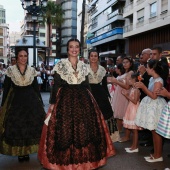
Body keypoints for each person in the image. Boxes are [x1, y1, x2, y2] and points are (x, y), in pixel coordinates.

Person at [38, 38, 116, 170]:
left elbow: (86, 85)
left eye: (76, 47)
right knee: (65, 130)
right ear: (67, 49)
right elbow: (56, 86)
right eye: (71, 47)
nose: (74, 49)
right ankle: (68, 162)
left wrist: (93, 102)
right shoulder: (61, 65)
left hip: (83, 100)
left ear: (79, 49)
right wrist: (52, 104)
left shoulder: (84, 66)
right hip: (65, 100)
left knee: (84, 129)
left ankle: (84, 161)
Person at [0, 48, 45, 162]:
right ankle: (21, 153)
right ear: (16, 57)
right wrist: (2, 105)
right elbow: (6, 89)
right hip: (16, 102)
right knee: (18, 127)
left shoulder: (32, 70)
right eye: (21, 56)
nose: (23, 58)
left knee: (31, 126)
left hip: (31, 101)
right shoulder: (10, 70)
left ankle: (28, 151)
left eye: (25, 56)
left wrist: (40, 103)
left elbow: (36, 88)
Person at [135, 59, 167, 163]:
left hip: (156, 107)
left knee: (156, 132)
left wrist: (143, 87)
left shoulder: (158, 80)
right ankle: (156, 154)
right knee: (153, 132)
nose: (146, 69)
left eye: (147, 67)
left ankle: (158, 155)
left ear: (152, 68)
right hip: (152, 107)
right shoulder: (152, 78)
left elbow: (154, 96)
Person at [87, 49, 119, 142]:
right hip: (88, 93)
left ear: (98, 57)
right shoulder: (84, 68)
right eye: (91, 56)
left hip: (101, 94)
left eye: (95, 56)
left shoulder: (102, 69)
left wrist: (107, 95)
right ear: (89, 57)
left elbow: (104, 84)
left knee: (106, 115)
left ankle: (105, 139)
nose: (93, 58)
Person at [108, 57, 134, 142]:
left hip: (124, 95)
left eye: (127, 62)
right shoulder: (125, 72)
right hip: (120, 94)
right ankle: (119, 134)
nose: (125, 64)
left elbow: (127, 86)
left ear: (130, 63)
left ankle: (126, 136)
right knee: (119, 115)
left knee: (124, 115)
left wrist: (116, 81)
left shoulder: (131, 72)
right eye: (124, 62)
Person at [122, 72, 141, 153]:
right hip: (131, 108)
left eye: (130, 79)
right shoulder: (133, 89)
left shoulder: (136, 90)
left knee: (135, 130)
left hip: (134, 109)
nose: (128, 80)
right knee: (133, 130)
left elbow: (135, 101)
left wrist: (126, 95)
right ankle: (133, 145)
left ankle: (135, 147)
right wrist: (127, 95)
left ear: (134, 80)